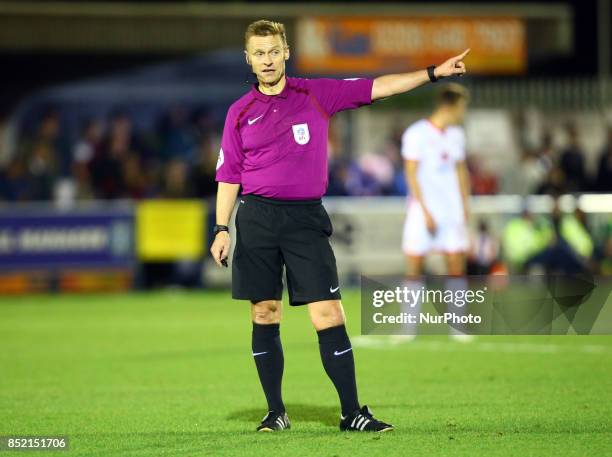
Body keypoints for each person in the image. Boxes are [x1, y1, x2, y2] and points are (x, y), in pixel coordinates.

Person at [209, 19, 469, 433]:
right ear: (249, 59)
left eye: (274, 51)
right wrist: (221, 229)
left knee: (329, 313)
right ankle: (275, 412)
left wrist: (433, 72)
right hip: (256, 218)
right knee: (264, 312)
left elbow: (379, 86)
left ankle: (352, 413)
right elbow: (229, 176)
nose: (267, 59)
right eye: (259, 53)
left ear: (286, 52)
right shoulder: (239, 112)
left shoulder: (315, 94)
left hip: (305, 219)